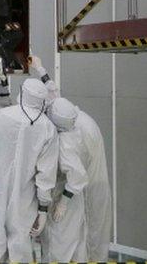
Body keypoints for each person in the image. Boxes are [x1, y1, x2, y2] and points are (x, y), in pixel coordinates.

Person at [0, 78, 58, 262]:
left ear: (22, 92)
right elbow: (46, 173)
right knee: (20, 243)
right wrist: (43, 209)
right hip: (24, 196)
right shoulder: (47, 127)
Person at [44, 97, 112, 261]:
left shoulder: (65, 143)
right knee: (76, 244)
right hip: (75, 198)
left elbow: (77, 178)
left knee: (60, 244)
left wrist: (63, 203)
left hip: (66, 199)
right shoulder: (75, 128)